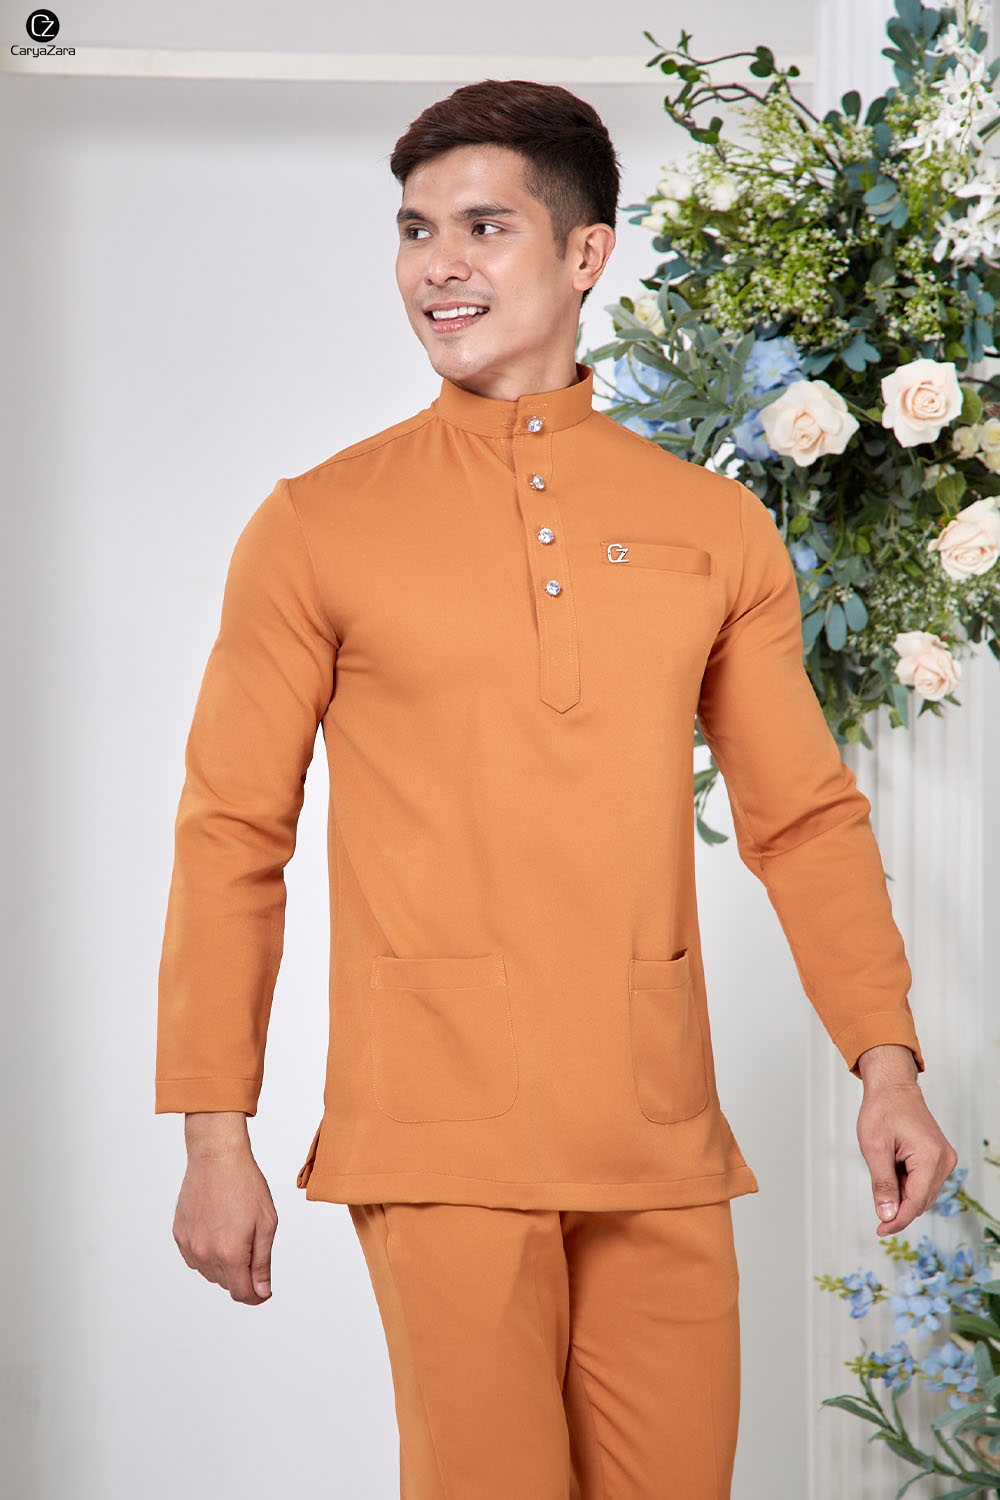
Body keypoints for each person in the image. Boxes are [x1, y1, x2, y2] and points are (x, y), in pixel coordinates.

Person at [157, 79, 958, 1499]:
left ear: (587, 254)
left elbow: (800, 816)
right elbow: (233, 832)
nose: (438, 265)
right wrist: (216, 1132)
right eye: (415, 230)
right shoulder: (315, 526)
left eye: (483, 226)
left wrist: (884, 1060)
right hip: (436, 1128)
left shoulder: (712, 527)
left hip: (658, 1129)